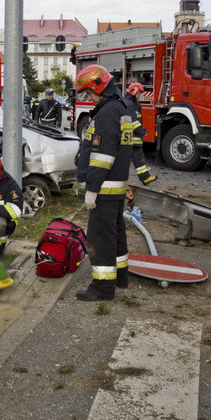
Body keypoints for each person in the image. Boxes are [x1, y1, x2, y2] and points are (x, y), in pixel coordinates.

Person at [74, 65, 133, 301]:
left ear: (99, 87)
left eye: (89, 92)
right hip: (114, 188)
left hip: (104, 190)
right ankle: (120, 278)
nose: (88, 97)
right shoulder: (121, 109)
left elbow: (103, 157)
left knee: (101, 237)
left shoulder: (108, 113)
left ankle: (102, 288)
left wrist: (92, 189)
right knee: (116, 234)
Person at [123, 82, 157, 185]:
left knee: (138, 158)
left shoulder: (133, 103)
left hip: (133, 138)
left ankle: (145, 177)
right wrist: (142, 131)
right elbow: (133, 122)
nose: (139, 96)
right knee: (125, 161)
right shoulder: (129, 104)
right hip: (130, 137)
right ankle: (119, 180)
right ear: (134, 92)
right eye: (139, 93)